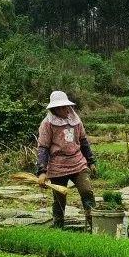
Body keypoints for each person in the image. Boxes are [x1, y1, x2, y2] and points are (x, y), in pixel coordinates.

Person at [36, 90, 97, 230]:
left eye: (65, 107)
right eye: (59, 108)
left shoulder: (75, 120)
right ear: (53, 109)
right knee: (59, 198)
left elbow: (83, 141)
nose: (63, 110)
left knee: (87, 191)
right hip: (58, 164)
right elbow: (43, 148)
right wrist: (42, 171)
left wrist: (91, 161)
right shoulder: (47, 124)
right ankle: (58, 227)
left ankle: (93, 225)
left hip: (77, 161)